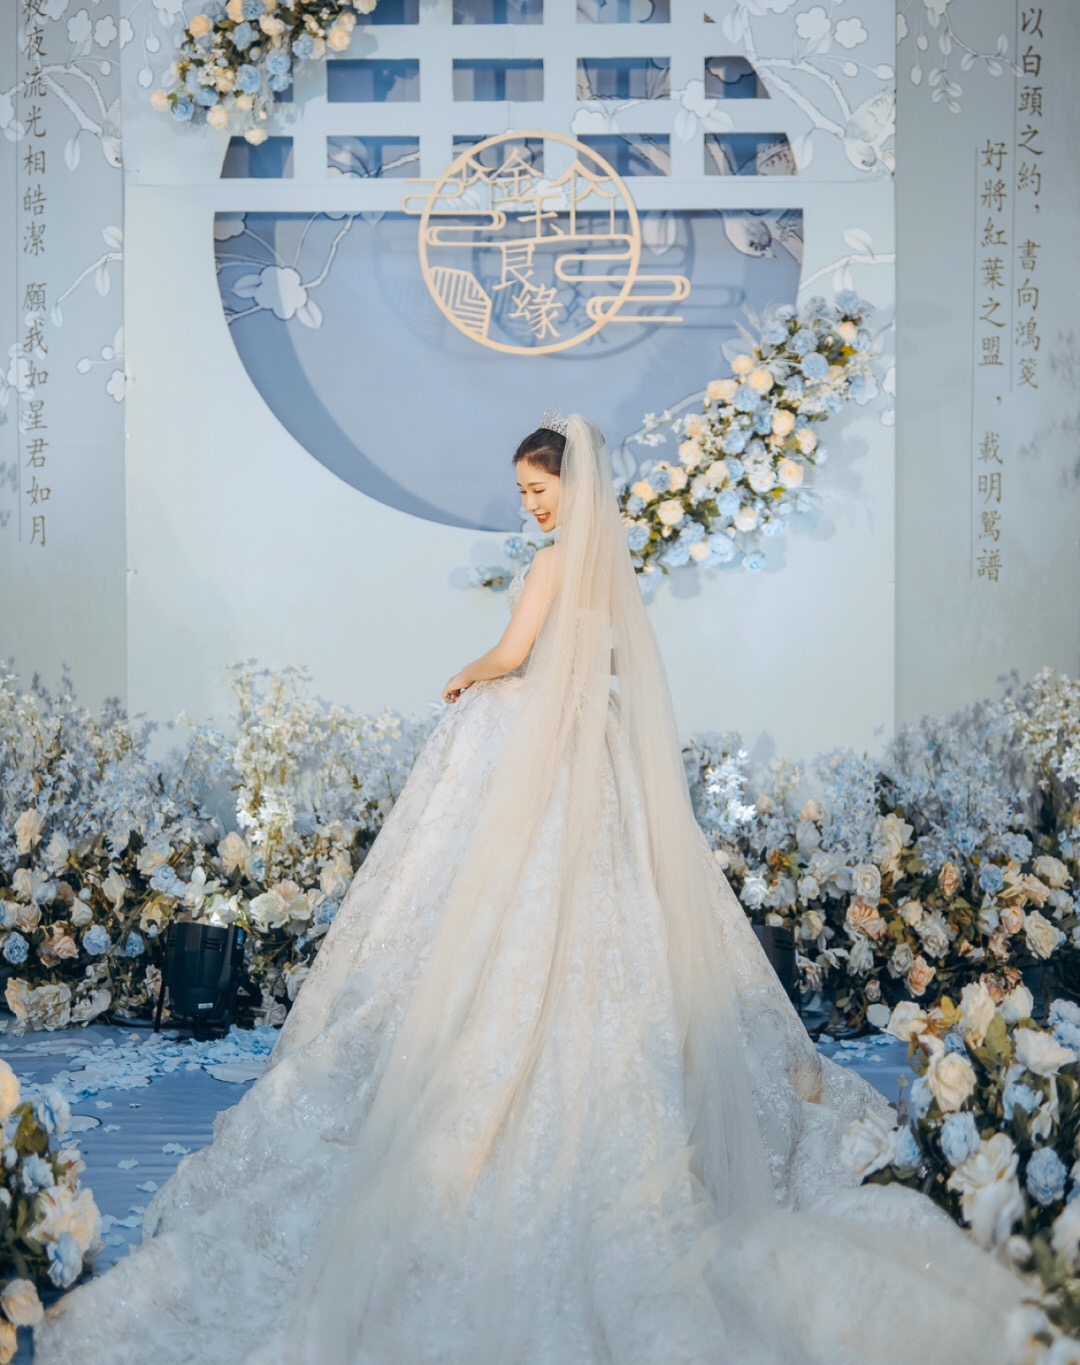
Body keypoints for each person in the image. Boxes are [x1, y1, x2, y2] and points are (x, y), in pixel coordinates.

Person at [36, 414, 1027, 1365]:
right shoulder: (608, 574)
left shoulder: (555, 565)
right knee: (600, 914)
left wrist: (466, 677)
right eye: (523, 492)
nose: (532, 505)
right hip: (595, 752)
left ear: (569, 484)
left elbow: (515, 654)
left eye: (539, 488)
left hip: (546, 753)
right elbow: (603, 667)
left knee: (515, 908)